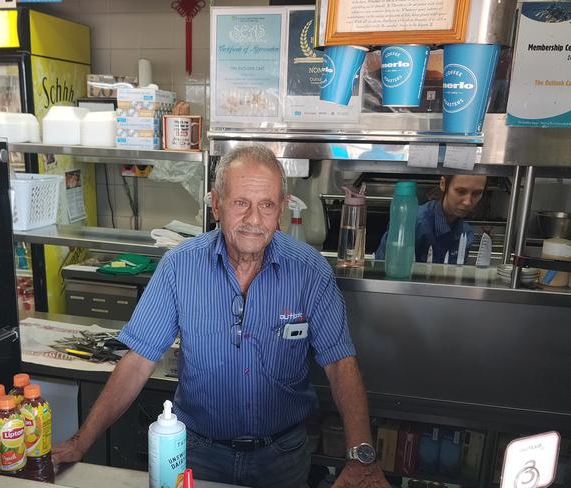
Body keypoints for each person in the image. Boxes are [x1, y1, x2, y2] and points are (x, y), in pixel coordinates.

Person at [52, 145, 389, 488]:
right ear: (216, 204)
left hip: (282, 457)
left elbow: (339, 363)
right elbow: (138, 361)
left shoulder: (310, 271)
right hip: (199, 454)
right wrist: (82, 442)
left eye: (267, 205)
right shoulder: (179, 267)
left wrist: (360, 456)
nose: (254, 220)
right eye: (241, 203)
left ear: (281, 210)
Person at [376, 175, 487, 264]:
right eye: (461, 191)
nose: (468, 202)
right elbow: (381, 269)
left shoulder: (466, 234)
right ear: (443, 184)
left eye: (477, 193)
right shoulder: (412, 223)